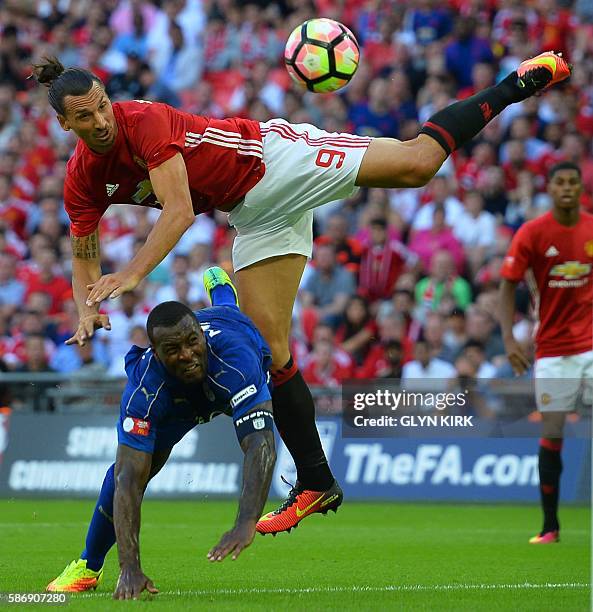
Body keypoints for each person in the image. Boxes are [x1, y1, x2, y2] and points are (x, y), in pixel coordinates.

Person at [31, 51, 571, 535]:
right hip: (251, 212)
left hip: (273, 159)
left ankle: (515, 82)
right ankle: (317, 482)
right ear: (64, 123)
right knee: (272, 349)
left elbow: (178, 210)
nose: (100, 120)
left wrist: (129, 276)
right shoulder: (81, 176)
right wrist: (86, 308)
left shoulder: (142, 120)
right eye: (84, 115)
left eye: (102, 105)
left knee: (416, 164)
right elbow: (83, 255)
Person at [46, 268, 289, 597]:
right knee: (125, 473)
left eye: (192, 342)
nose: (187, 354)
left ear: (200, 336)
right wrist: (129, 567)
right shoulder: (145, 390)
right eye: (173, 349)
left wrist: (246, 522)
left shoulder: (234, 359)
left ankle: (220, 289)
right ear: (156, 353)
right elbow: (128, 479)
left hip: (226, 342)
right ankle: (89, 566)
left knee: (229, 310)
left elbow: (260, 443)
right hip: (177, 406)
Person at [498, 161, 593, 544]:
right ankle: (550, 526)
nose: (567, 188)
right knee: (552, 433)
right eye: (560, 183)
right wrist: (508, 339)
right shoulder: (533, 233)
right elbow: (507, 286)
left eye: (573, 182)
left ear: (580, 188)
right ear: (550, 189)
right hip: (553, 351)